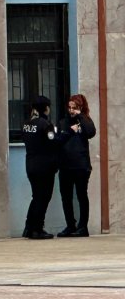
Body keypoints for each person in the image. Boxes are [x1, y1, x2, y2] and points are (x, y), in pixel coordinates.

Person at [56, 93, 97, 237]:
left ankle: (83, 227)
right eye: (70, 107)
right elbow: (58, 141)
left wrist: (81, 116)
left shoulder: (85, 121)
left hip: (81, 166)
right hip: (65, 166)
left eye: (75, 107)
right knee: (66, 197)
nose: (71, 110)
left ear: (81, 107)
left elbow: (91, 132)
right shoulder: (63, 122)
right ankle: (70, 225)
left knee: (81, 195)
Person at [21, 96, 60, 240]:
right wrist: (62, 136)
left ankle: (29, 228)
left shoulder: (27, 123)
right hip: (45, 166)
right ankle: (38, 229)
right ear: (46, 108)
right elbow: (53, 141)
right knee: (43, 198)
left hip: (31, 165)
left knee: (36, 197)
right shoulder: (45, 124)